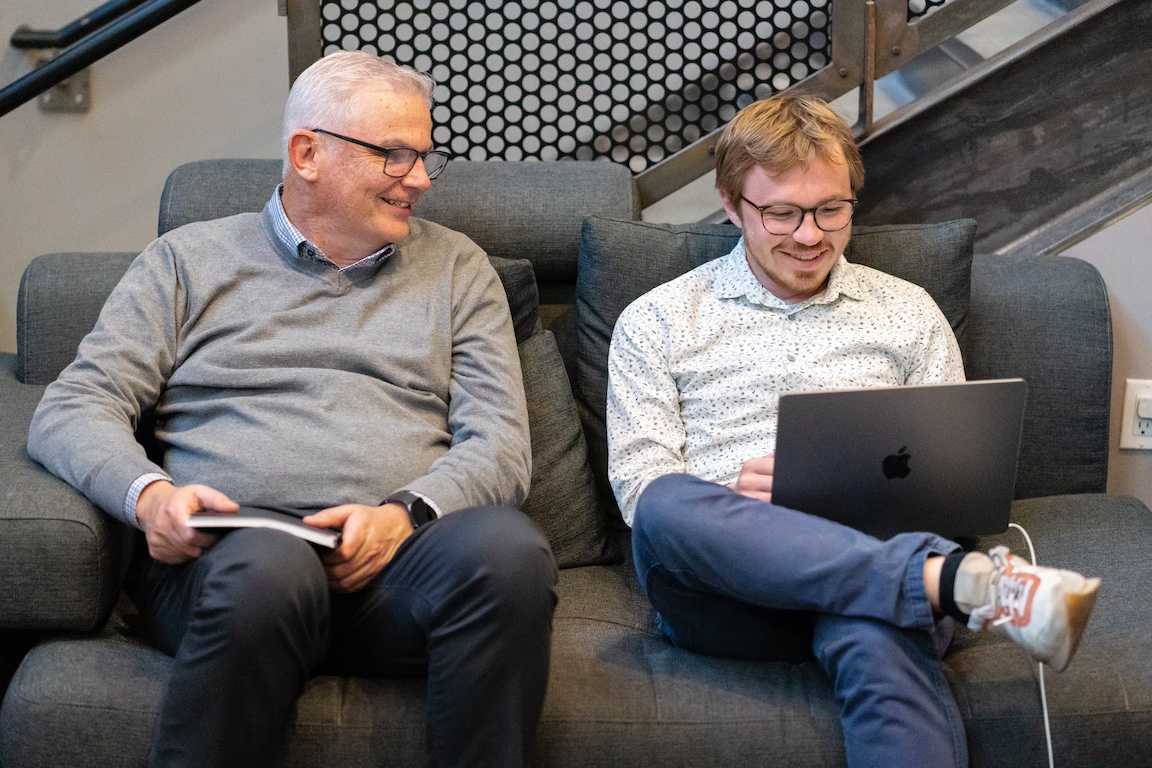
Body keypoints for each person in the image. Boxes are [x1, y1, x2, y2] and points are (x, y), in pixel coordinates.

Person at [27, 51, 556, 768]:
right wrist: (149, 497)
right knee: (269, 565)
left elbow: (498, 445)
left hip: (399, 567)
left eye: (426, 157)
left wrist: (403, 515)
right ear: (308, 153)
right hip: (233, 562)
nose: (421, 181)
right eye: (395, 156)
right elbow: (74, 406)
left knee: (509, 552)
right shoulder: (187, 262)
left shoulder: (459, 269)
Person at [606, 94, 1100, 767]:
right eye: (782, 213)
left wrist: (826, 497)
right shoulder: (659, 320)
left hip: (875, 566)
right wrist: (764, 516)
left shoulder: (907, 313)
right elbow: (639, 491)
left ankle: (942, 581)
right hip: (726, 593)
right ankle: (958, 582)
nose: (811, 236)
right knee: (668, 501)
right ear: (731, 205)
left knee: (878, 620)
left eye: (830, 210)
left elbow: (953, 482)